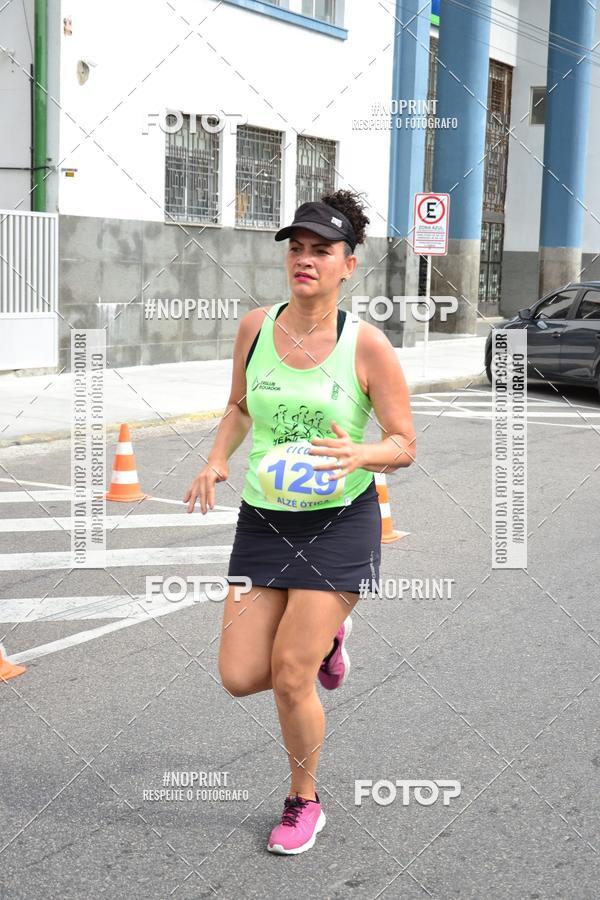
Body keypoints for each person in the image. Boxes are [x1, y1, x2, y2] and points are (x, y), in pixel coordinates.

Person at [184, 189, 416, 855]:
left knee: (290, 673)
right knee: (238, 674)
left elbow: (404, 443)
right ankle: (332, 639)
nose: (305, 259)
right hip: (263, 519)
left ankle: (303, 800)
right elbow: (238, 405)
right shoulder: (257, 326)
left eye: (321, 250)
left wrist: (362, 451)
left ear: (349, 264)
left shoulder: (367, 347)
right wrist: (216, 459)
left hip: (339, 521)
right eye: (297, 248)